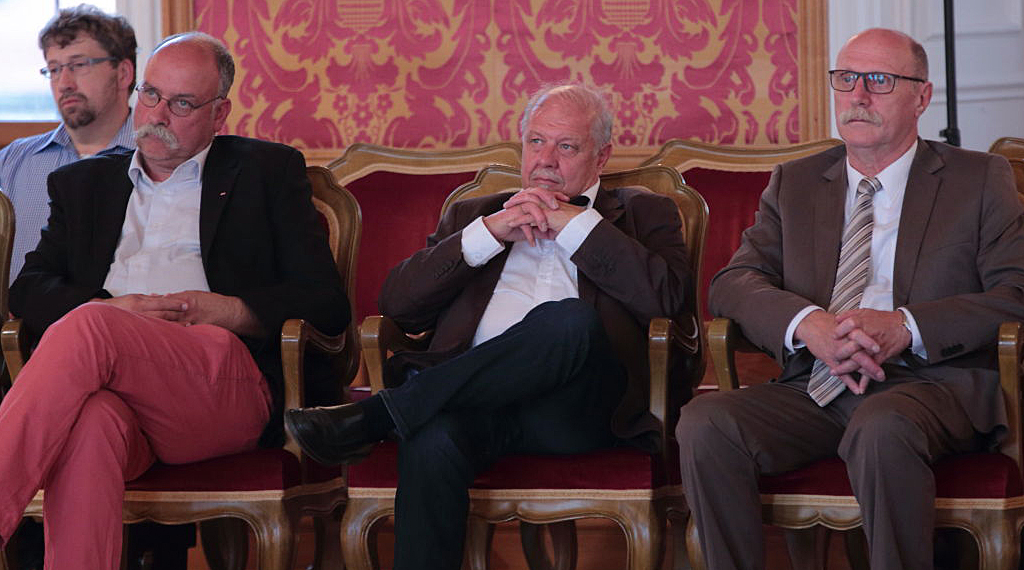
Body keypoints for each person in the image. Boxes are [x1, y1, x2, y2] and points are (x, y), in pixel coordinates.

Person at [285, 83, 693, 569]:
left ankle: (380, 416)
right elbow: (399, 305)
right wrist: (489, 233)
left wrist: (575, 225)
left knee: (569, 319)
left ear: (601, 156)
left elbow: (669, 301)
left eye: (567, 147)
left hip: (578, 411)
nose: (546, 160)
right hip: (473, 404)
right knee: (432, 438)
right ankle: (403, 415)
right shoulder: (473, 214)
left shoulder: (644, 213)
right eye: (536, 141)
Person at [676, 28, 1024, 570]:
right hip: (815, 385)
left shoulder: (977, 179)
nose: (858, 95)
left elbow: (1014, 295)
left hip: (929, 384)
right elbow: (733, 282)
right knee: (706, 423)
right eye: (846, 78)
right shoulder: (795, 182)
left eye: (879, 80)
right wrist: (809, 324)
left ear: (922, 97)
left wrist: (904, 326)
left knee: (883, 425)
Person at [0, 32, 348, 569]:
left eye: (182, 103)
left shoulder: (266, 172)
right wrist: (114, 310)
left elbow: (326, 301)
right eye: (151, 94)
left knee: (90, 325)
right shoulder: (84, 184)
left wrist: (228, 309)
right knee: (92, 423)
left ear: (219, 113)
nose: (157, 115)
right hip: (111, 380)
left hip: (220, 378)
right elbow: (29, 288)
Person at [0, 5, 136, 281]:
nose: (64, 83)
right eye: (54, 69)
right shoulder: (15, 160)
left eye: (79, 65)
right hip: (20, 310)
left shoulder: (158, 158)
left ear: (123, 73)